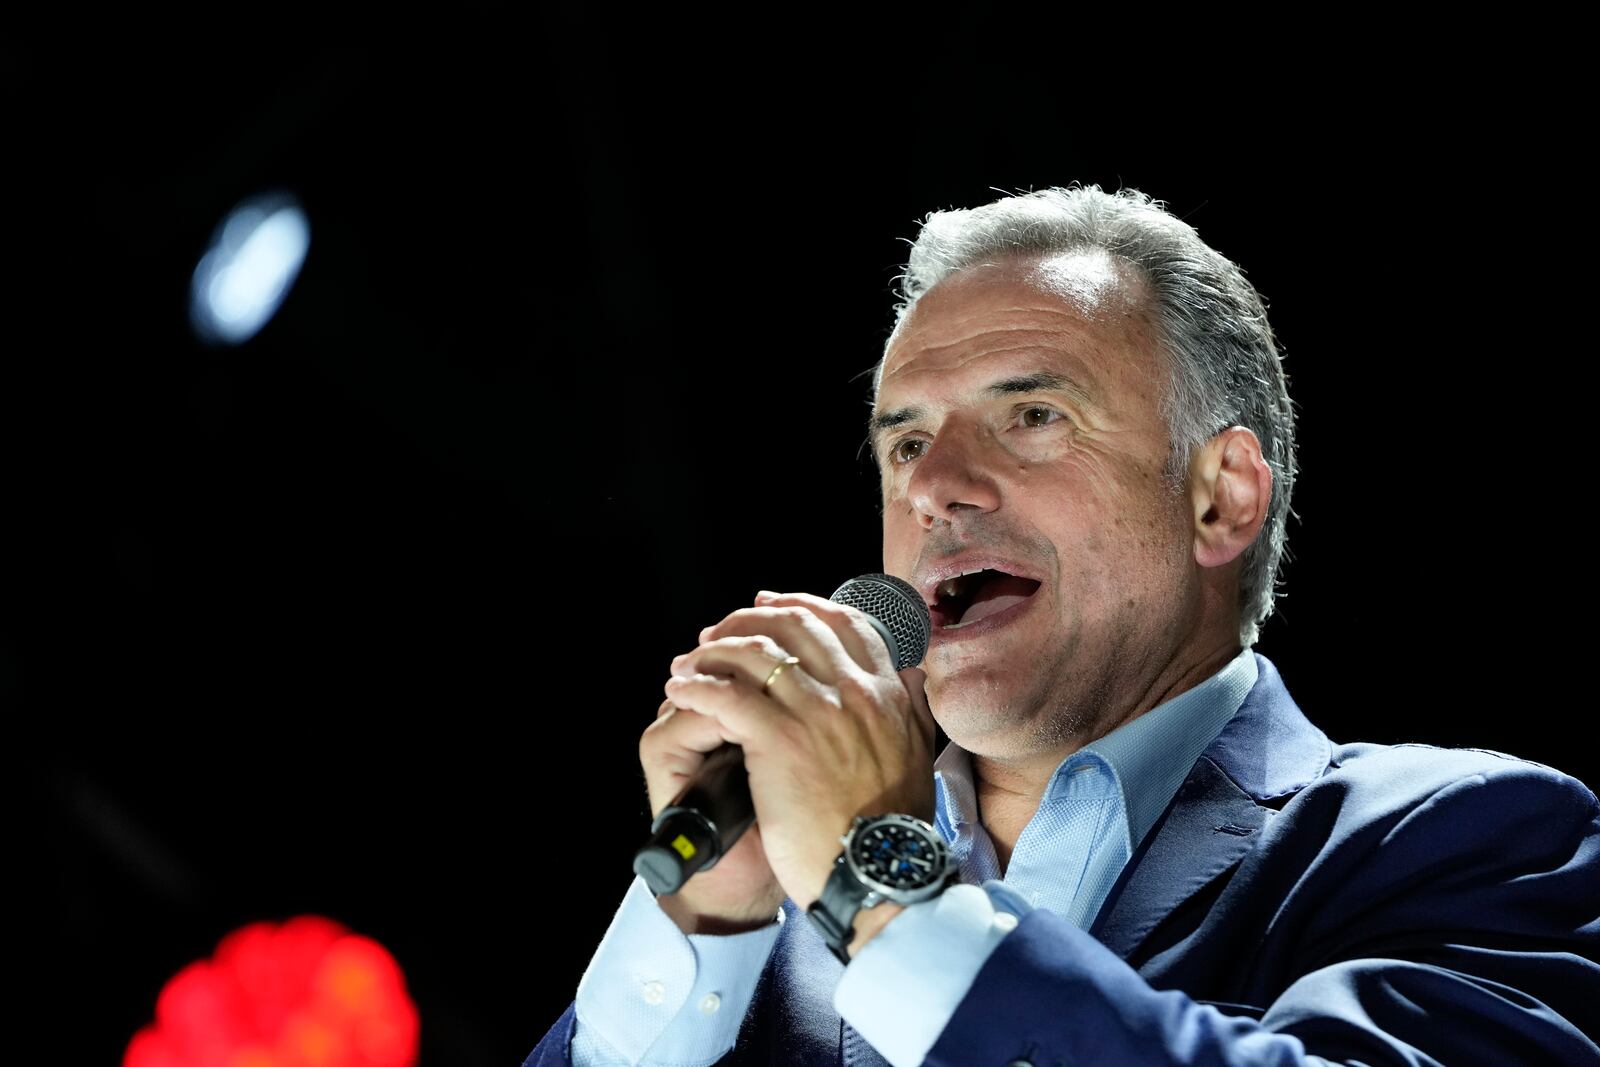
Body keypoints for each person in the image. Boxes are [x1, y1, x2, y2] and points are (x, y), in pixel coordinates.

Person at [525, 186, 1600, 1066]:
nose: (935, 486)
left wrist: (882, 883)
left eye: (1030, 416)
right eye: (903, 444)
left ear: (1220, 495)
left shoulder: (1470, 843)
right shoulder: (768, 915)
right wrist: (706, 920)